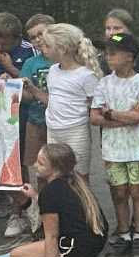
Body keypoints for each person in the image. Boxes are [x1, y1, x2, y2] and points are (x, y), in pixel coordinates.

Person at [7, 142, 108, 257]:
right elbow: (61, 206)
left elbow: (52, 236)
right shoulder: (76, 180)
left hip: (76, 249)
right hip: (95, 244)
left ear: (54, 170)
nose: (35, 165)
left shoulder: (50, 192)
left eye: (41, 163)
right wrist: (35, 196)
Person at [92, 32, 139, 257]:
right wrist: (126, 117)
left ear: (129, 56)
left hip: (137, 148)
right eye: (107, 53)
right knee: (119, 192)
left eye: (113, 53)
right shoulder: (103, 84)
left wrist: (111, 114)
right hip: (112, 149)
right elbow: (94, 117)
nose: (108, 57)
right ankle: (124, 233)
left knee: (137, 191)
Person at [0, 12, 40, 235]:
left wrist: (10, 69)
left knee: (19, 164)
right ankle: (22, 205)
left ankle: (19, 213)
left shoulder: (28, 49)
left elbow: (33, 84)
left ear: (16, 38)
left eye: (3, 41)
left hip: (21, 116)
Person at [41, 23, 101, 193]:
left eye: (47, 45)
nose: (43, 48)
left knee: (79, 177)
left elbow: (95, 104)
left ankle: (86, 208)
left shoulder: (86, 75)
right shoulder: (53, 70)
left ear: (62, 49)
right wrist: (32, 89)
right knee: (55, 176)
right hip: (53, 130)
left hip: (75, 131)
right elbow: (53, 99)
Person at [16, 15, 55, 239]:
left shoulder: (64, 60)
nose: (38, 39)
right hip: (36, 122)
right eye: (33, 37)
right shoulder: (31, 63)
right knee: (39, 172)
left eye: (42, 33)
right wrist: (14, 87)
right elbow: (26, 97)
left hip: (59, 124)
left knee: (63, 171)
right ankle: (42, 216)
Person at [99, 9, 139, 81]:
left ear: (129, 30)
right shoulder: (98, 59)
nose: (111, 33)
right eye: (108, 28)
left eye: (117, 28)